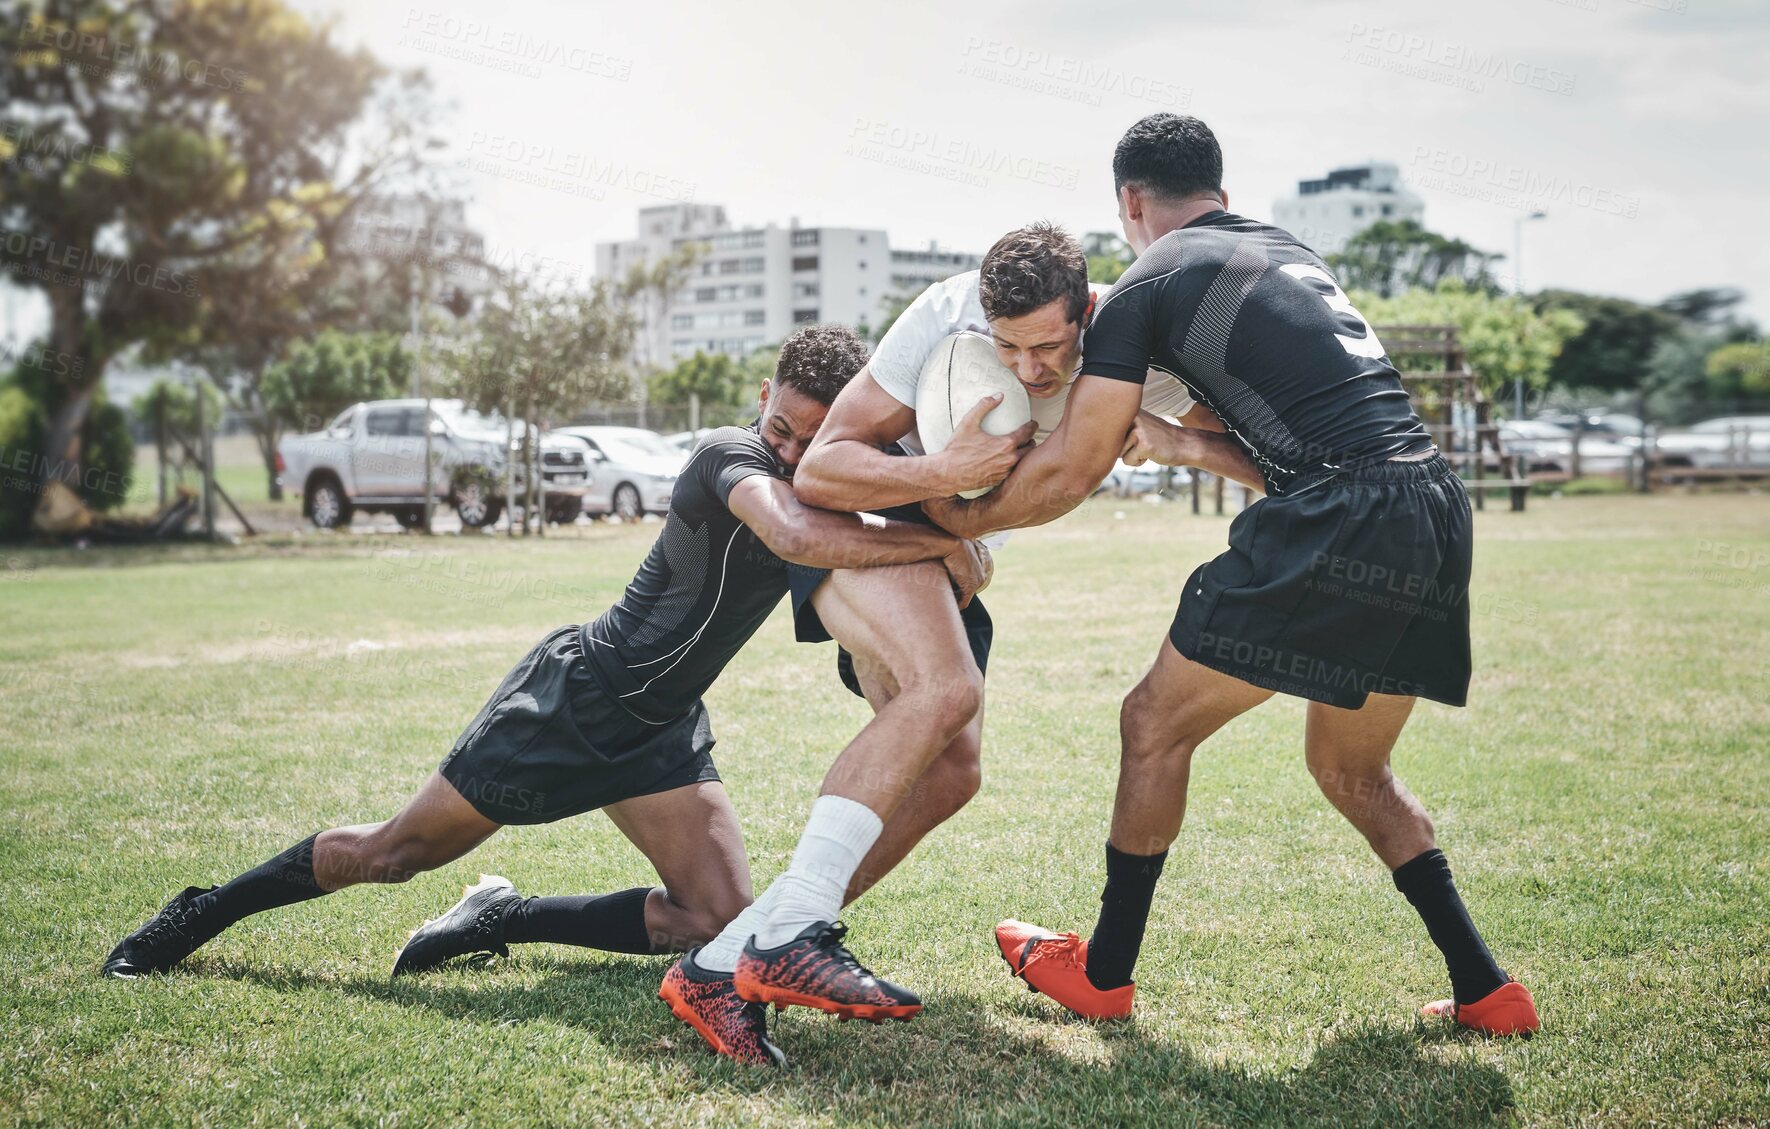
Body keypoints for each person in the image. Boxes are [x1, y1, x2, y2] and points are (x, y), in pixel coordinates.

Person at [100, 326, 993, 1070]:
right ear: (764, 399)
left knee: (713, 919)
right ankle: (200, 911)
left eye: (814, 439)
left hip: (660, 731)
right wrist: (939, 546)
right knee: (396, 851)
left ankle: (504, 915)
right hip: (573, 699)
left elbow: (859, 580)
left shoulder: (836, 490)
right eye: (784, 427)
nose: (794, 450)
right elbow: (794, 528)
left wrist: (937, 541)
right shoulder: (732, 455)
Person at [926, 114, 1538, 1037]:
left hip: (1343, 515)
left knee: (1152, 722)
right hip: (1431, 507)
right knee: (1349, 765)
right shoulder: (1282, 254)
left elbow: (1070, 471)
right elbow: (1297, 452)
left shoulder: (1146, 283)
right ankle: (1488, 988)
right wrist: (1183, 443)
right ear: (1216, 185)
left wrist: (950, 519)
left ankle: (1103, 973)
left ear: (1129, 202)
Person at [668, 224, 1263, 1064]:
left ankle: (720, 964)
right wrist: (945, 477)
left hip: (954, 558)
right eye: (1008, 347)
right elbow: (822, 471)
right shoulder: (940, 314)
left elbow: (1263, 456)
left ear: (1086, 311)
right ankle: (792, 931)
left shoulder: (1142, 350)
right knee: (945, 690)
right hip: (876, 525)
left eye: (1050, 347)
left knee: (952, 771)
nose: (1029, 370)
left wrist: (1178, 441)